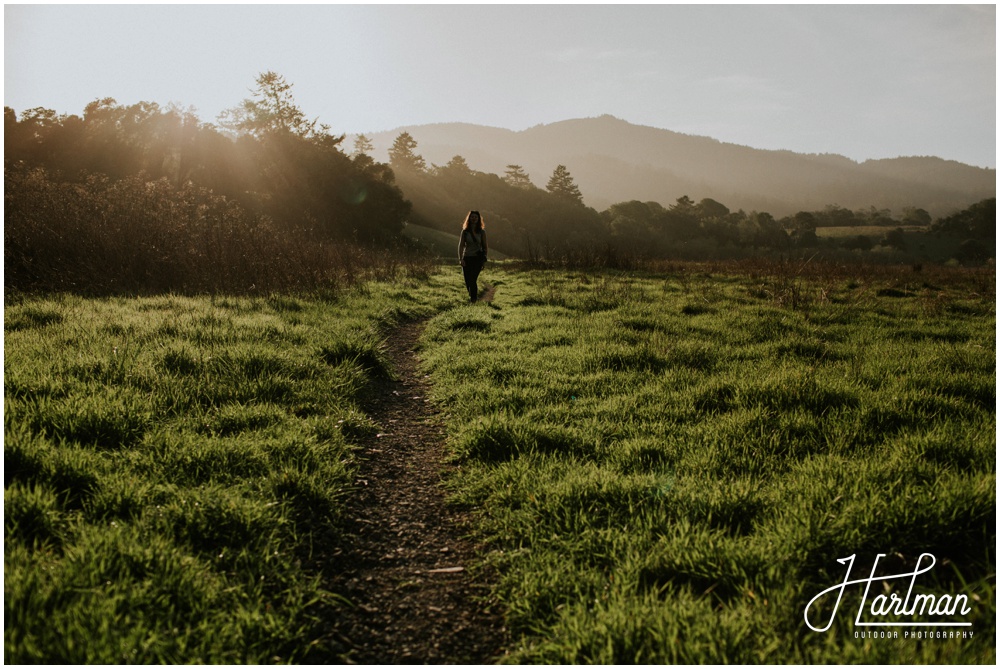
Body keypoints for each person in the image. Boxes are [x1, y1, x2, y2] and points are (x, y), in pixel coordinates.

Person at [458, 210, 488, 303]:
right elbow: (461, 245)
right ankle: (472, 295)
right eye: (472, 217)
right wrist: (461, 259)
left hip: (477, 259)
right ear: (469, 218)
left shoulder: (482, 232)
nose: (474, 218)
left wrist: (483, 260)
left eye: (475, 217)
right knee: (467, 280)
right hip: (467, 258)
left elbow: (485, 246)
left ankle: (473, 300)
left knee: (473, 279)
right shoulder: (465, 232)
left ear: (479, 219)